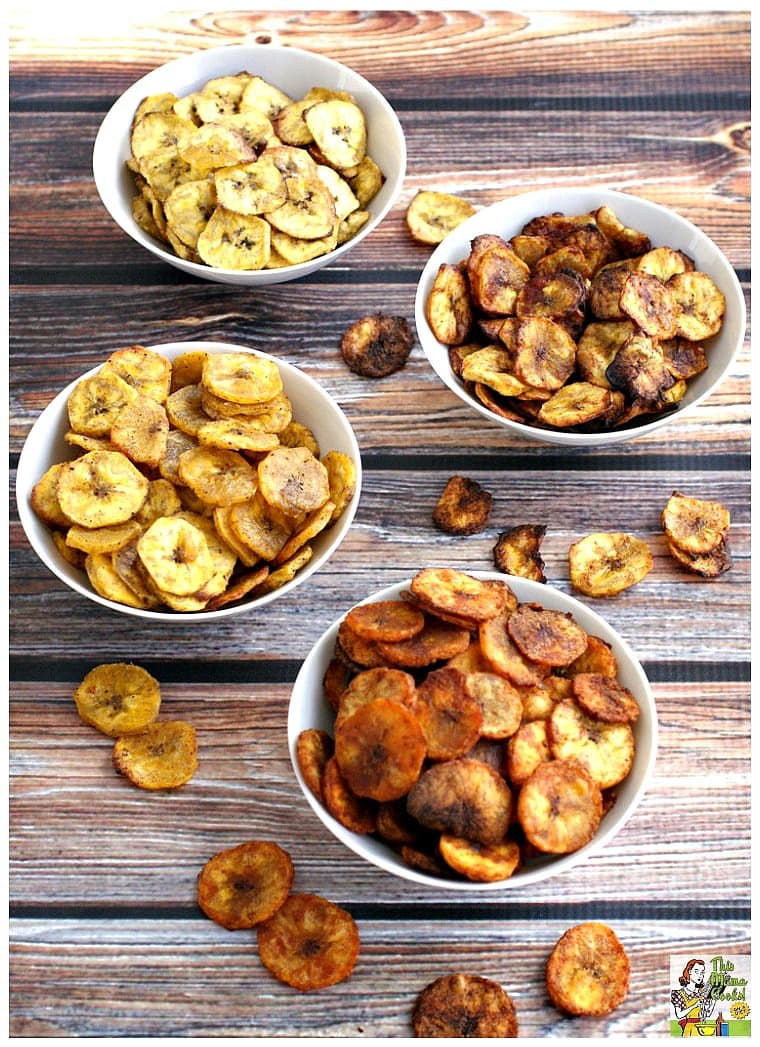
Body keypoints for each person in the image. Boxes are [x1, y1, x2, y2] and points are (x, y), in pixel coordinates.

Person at [670, 959, 728, 1036]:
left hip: (701, 1029)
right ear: (689, 972)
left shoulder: (702, 993)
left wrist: (714, 999)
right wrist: (694, 1005)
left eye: (702, 973)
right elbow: (679, 1015)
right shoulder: (678, 994)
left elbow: (707, 1014)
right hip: (689, 1030)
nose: (700, 975)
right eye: (696, 972)